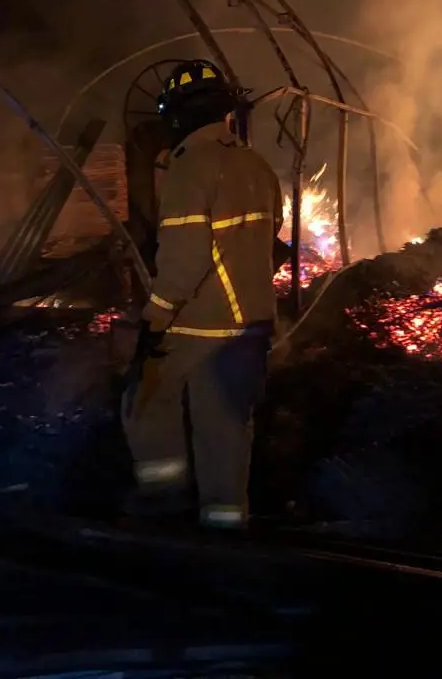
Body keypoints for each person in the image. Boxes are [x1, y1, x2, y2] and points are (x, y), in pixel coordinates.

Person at [121, 59, 283, 531]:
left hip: (202, 323)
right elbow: (270, 239)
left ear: (176, 116)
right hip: (253, 323)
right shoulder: (256, 165)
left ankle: (163, 499)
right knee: (227, 425)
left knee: (145, 395)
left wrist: (154, 318)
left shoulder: (189, 170)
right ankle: (225, 525)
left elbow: (184, 259)